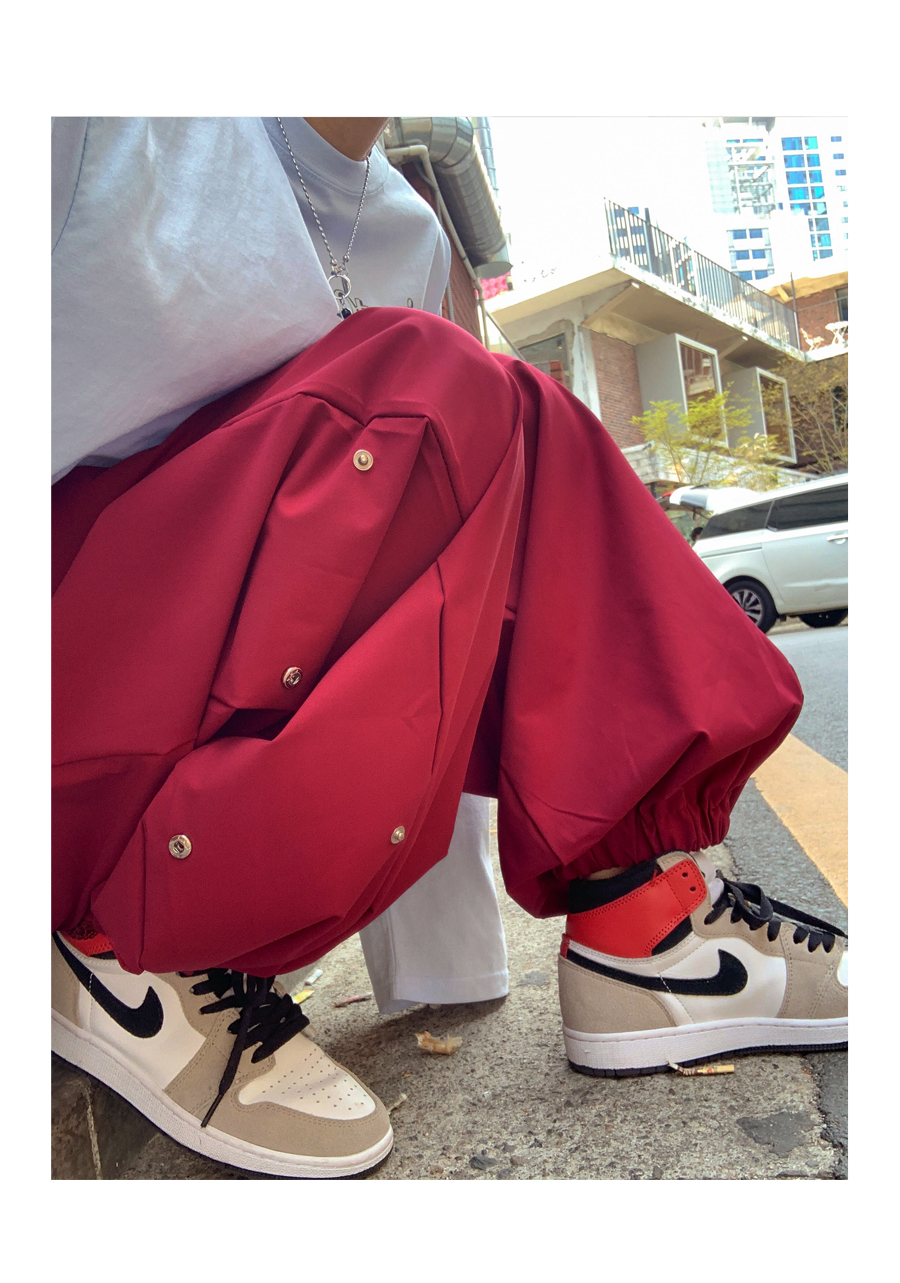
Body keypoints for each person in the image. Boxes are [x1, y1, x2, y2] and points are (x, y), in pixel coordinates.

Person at [51, 116, 848, 1181]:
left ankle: (639, 919)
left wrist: (446, 964)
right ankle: (105, 932)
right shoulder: (99, 115)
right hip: (72, 672)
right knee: (428, 384)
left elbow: (437, 591)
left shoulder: (406, 229)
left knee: (504, 413)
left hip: (217, 663)